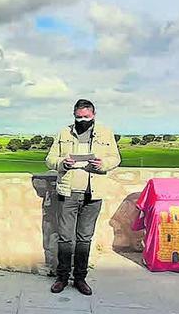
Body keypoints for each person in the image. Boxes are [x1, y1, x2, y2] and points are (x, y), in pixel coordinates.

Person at [44, 99, 121, 296]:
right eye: (79, 117)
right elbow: (49, 159)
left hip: (93, 194)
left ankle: (80, 278)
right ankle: (62, 278)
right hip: (68, 192)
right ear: (74, 115)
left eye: (86, 117)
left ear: (94, 115)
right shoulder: (63, 133)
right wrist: (63, 163)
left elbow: (116, 158)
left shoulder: (105, 132)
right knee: (65, 238)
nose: (82, 120)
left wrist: (102, 164)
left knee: (84, 239)